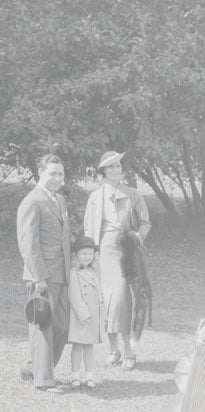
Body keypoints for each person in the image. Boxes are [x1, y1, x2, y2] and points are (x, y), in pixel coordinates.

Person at [83, 151, 150, 371]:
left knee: (121, 298)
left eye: (118, 166)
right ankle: (113, 351)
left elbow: (146, 223)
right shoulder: (95, 197)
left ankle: (129, 351)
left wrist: (136, 238)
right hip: (102, 251)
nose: (115, 169)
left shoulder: (132, 194)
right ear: (103, 171)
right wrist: (88, 255)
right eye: (111, 166)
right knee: (105, 301)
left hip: (125, 251)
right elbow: (88, 227)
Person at [17, 154, 72, 393]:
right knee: (43, 326)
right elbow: (28, 244)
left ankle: (33, 368)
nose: (57, 178)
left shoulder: (59, 200)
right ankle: (43, 380)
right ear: (41, 172)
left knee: (62, 327)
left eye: (61, 173)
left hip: (62, 273)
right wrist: (39, 276)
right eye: (53, 173)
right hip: (42, 275)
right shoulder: (32, 202)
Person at [67, 236, 103, 389]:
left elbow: (100, 295)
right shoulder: (74, 272)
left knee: (89, 347)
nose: (87, 257)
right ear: (76, 255)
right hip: (80, 316)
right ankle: (75, 375)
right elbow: (74, 296)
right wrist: (83, 315)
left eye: (90, 253)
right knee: (77, 346)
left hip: (93, 316)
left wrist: (103, 315)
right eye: (83, 254)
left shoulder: (94, 272)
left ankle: (89, 375)